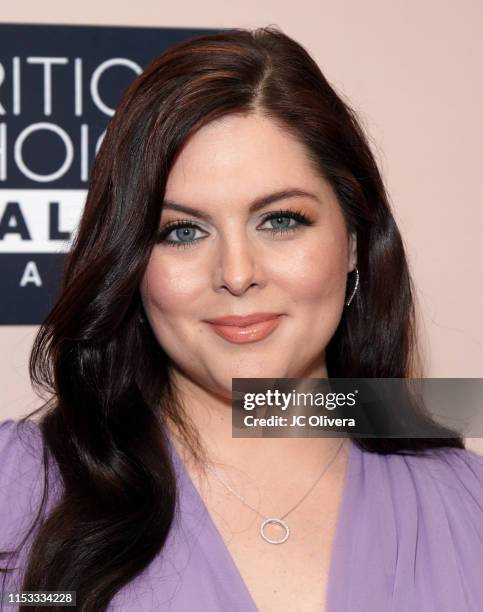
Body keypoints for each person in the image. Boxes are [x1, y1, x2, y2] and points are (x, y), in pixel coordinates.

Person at [1, 26, 482, 612]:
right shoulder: (20, 491)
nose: (236, 272)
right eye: (182, 230)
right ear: (131, 261)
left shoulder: (467, 507)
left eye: (280, 220)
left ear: (354, 239)